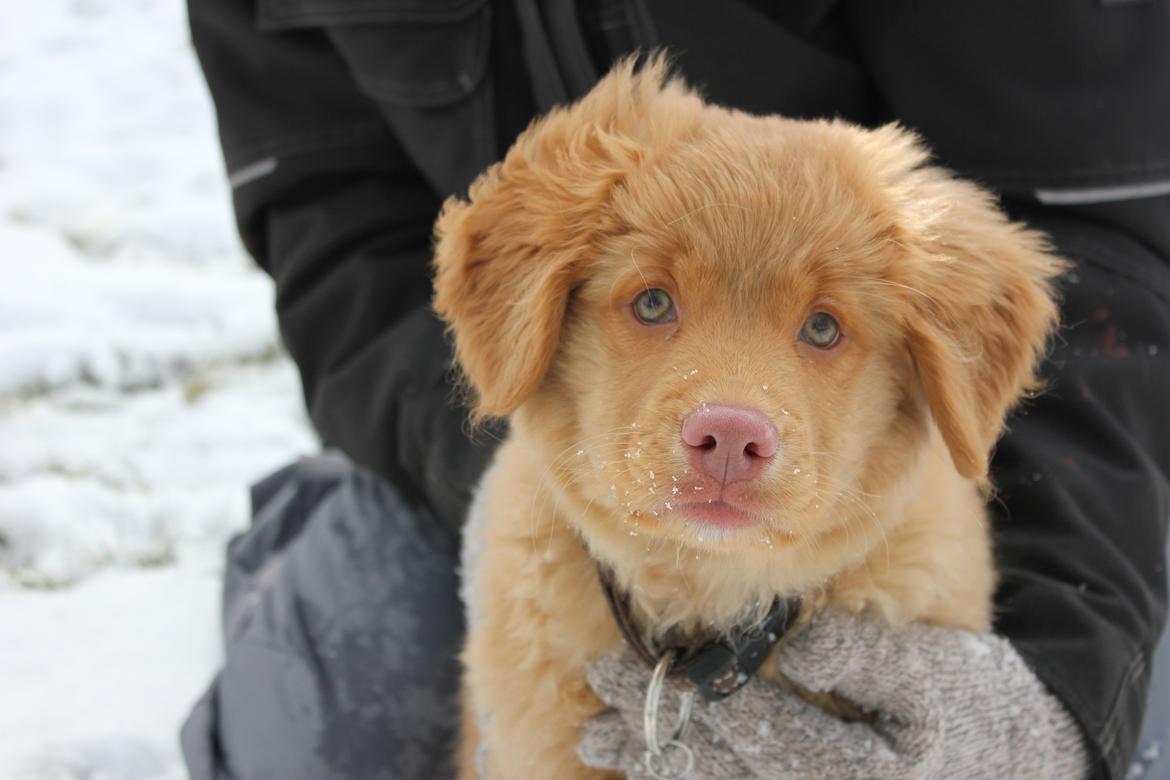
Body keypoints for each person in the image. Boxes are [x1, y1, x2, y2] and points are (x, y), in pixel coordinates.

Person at [180, 1, 1170, 778]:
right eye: (656, 303)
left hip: (1031, 473)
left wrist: (1057, 684)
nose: (730, 422)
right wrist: (490, 471)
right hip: (486, 428)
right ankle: (316, 539)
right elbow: (341, 225)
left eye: (818, 324)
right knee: (321, 742)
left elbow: (1094, 237)